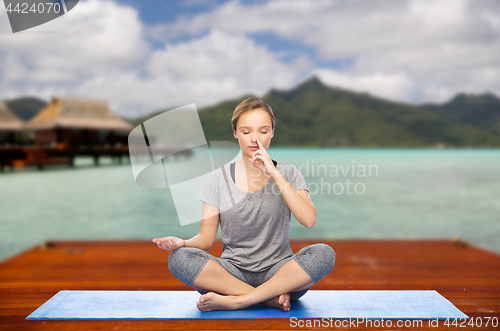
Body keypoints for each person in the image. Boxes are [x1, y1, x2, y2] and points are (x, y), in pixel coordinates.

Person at [152, 97, 335, 312]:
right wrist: (182, 243)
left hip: (280, 273)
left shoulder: (288, 173)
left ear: (272, 133)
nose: (255, 139)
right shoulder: (217, 179)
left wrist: (274, 173)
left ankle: (239, 300)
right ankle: (267, 299)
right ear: (235, 133)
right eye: (246, 132)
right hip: (231, 273)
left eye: (263, 131)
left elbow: (309, 219)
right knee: (179, 259)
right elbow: (206, 240)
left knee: (324, 253)